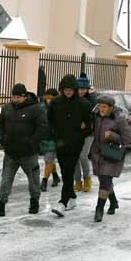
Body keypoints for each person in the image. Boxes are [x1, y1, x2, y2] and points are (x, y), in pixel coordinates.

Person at [0, 83, 47, 216]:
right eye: (13, 97)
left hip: (28, 153)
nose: (15, 100)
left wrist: (32, 142)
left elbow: (42, 127)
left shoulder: (36, 109)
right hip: (11, 151)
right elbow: (0, 125)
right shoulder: (7, 108)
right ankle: (0, 204)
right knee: (6, 178)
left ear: (24, 96)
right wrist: (2, 139)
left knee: (33, 179)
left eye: (18, 97)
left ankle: (34, 202)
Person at [47, 74, 93, 217]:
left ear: (75, 89)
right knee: (65, 170)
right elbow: (50, 121)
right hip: (60, 141)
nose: (68, 92)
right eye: (65, 89)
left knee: (69, 168)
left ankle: (63, 202)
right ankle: (72, 198)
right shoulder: (55, 102)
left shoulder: (83, 104)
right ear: (62, 89)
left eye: (71, 89)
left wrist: (80, 135)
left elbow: (89, 125)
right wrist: (54, 135)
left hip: (75, 143)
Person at [89, 94, 131, 222]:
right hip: (97, 154)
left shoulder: (118, 119)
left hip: (111, 154)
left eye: (104, 107)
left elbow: (127, 139)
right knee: (104, 181)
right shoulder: (96, 117)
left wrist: (113, 135)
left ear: (111, 108)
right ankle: (113, 202)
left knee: (105, 181)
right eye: (100, 106)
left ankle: (99, 209)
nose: (102, 109)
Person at [74, 73, 98, 193]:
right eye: (79, 89)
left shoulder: (92, 99)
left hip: (88, 132)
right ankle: (77, 181)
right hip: (75, 132)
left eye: (84, 89)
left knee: (83, 155)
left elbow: (94, 115)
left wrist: (86, 123)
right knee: (75, 157)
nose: (81, 91)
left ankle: (87, 179)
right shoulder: (73, 99)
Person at [40, 88, 61, 191]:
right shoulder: (41, 107)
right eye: (47, 97)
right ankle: (55, 176)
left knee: (49, 159)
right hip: (43, 137)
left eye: (51, 98)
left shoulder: (59, 108)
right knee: (49, 159)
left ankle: (44, 181)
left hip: (54, 137)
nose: (48, 100)